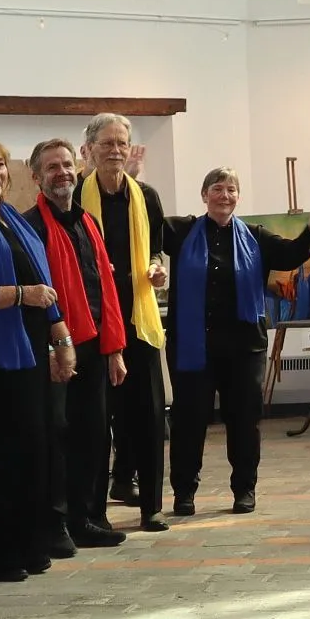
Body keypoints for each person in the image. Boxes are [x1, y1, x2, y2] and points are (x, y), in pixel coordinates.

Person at [164, 169, 310, 516]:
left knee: (243, 420)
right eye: (217, 189)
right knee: (188, 420)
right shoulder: (181, 231)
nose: (224, 195)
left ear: (238, 197)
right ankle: (184, 493)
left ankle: (244, 490)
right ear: (204, 194)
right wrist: (132, 179)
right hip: (193, 345)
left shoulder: (255, 236)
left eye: (231, 190)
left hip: (243, 348)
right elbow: (145, 224)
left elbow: (289, 255)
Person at [0, 137, 79, 582]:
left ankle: (26, 543)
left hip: (28, 350)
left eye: (1, 165)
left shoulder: (5, 217)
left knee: (34, 451)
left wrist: (60, 334)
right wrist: (23, 296)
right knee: (8, 456)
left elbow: (41, 282)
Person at [24, 140, 131, 549]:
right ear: (36, 176)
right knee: (57, 436)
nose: (62, 172)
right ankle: (57, 524)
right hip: (56, 346)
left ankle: (88, 517)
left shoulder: (89, 222)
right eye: (51, 167)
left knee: (93, 435)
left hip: (95, 342)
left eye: (67, 164)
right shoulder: (30, 225)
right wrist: (56, 344)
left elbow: (104, 285)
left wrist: (115, 348)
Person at [82, 112, 171, 532]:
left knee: (150, 415)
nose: (115, 151)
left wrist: (156, 268)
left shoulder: (146, 196)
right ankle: (94, 512)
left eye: (121, 143)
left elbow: (155, 249)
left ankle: (151, 506)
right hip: (96, 323)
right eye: (107, 143)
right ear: (89, 150)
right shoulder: (77, 198)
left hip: (138, 320)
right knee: (97, 419)